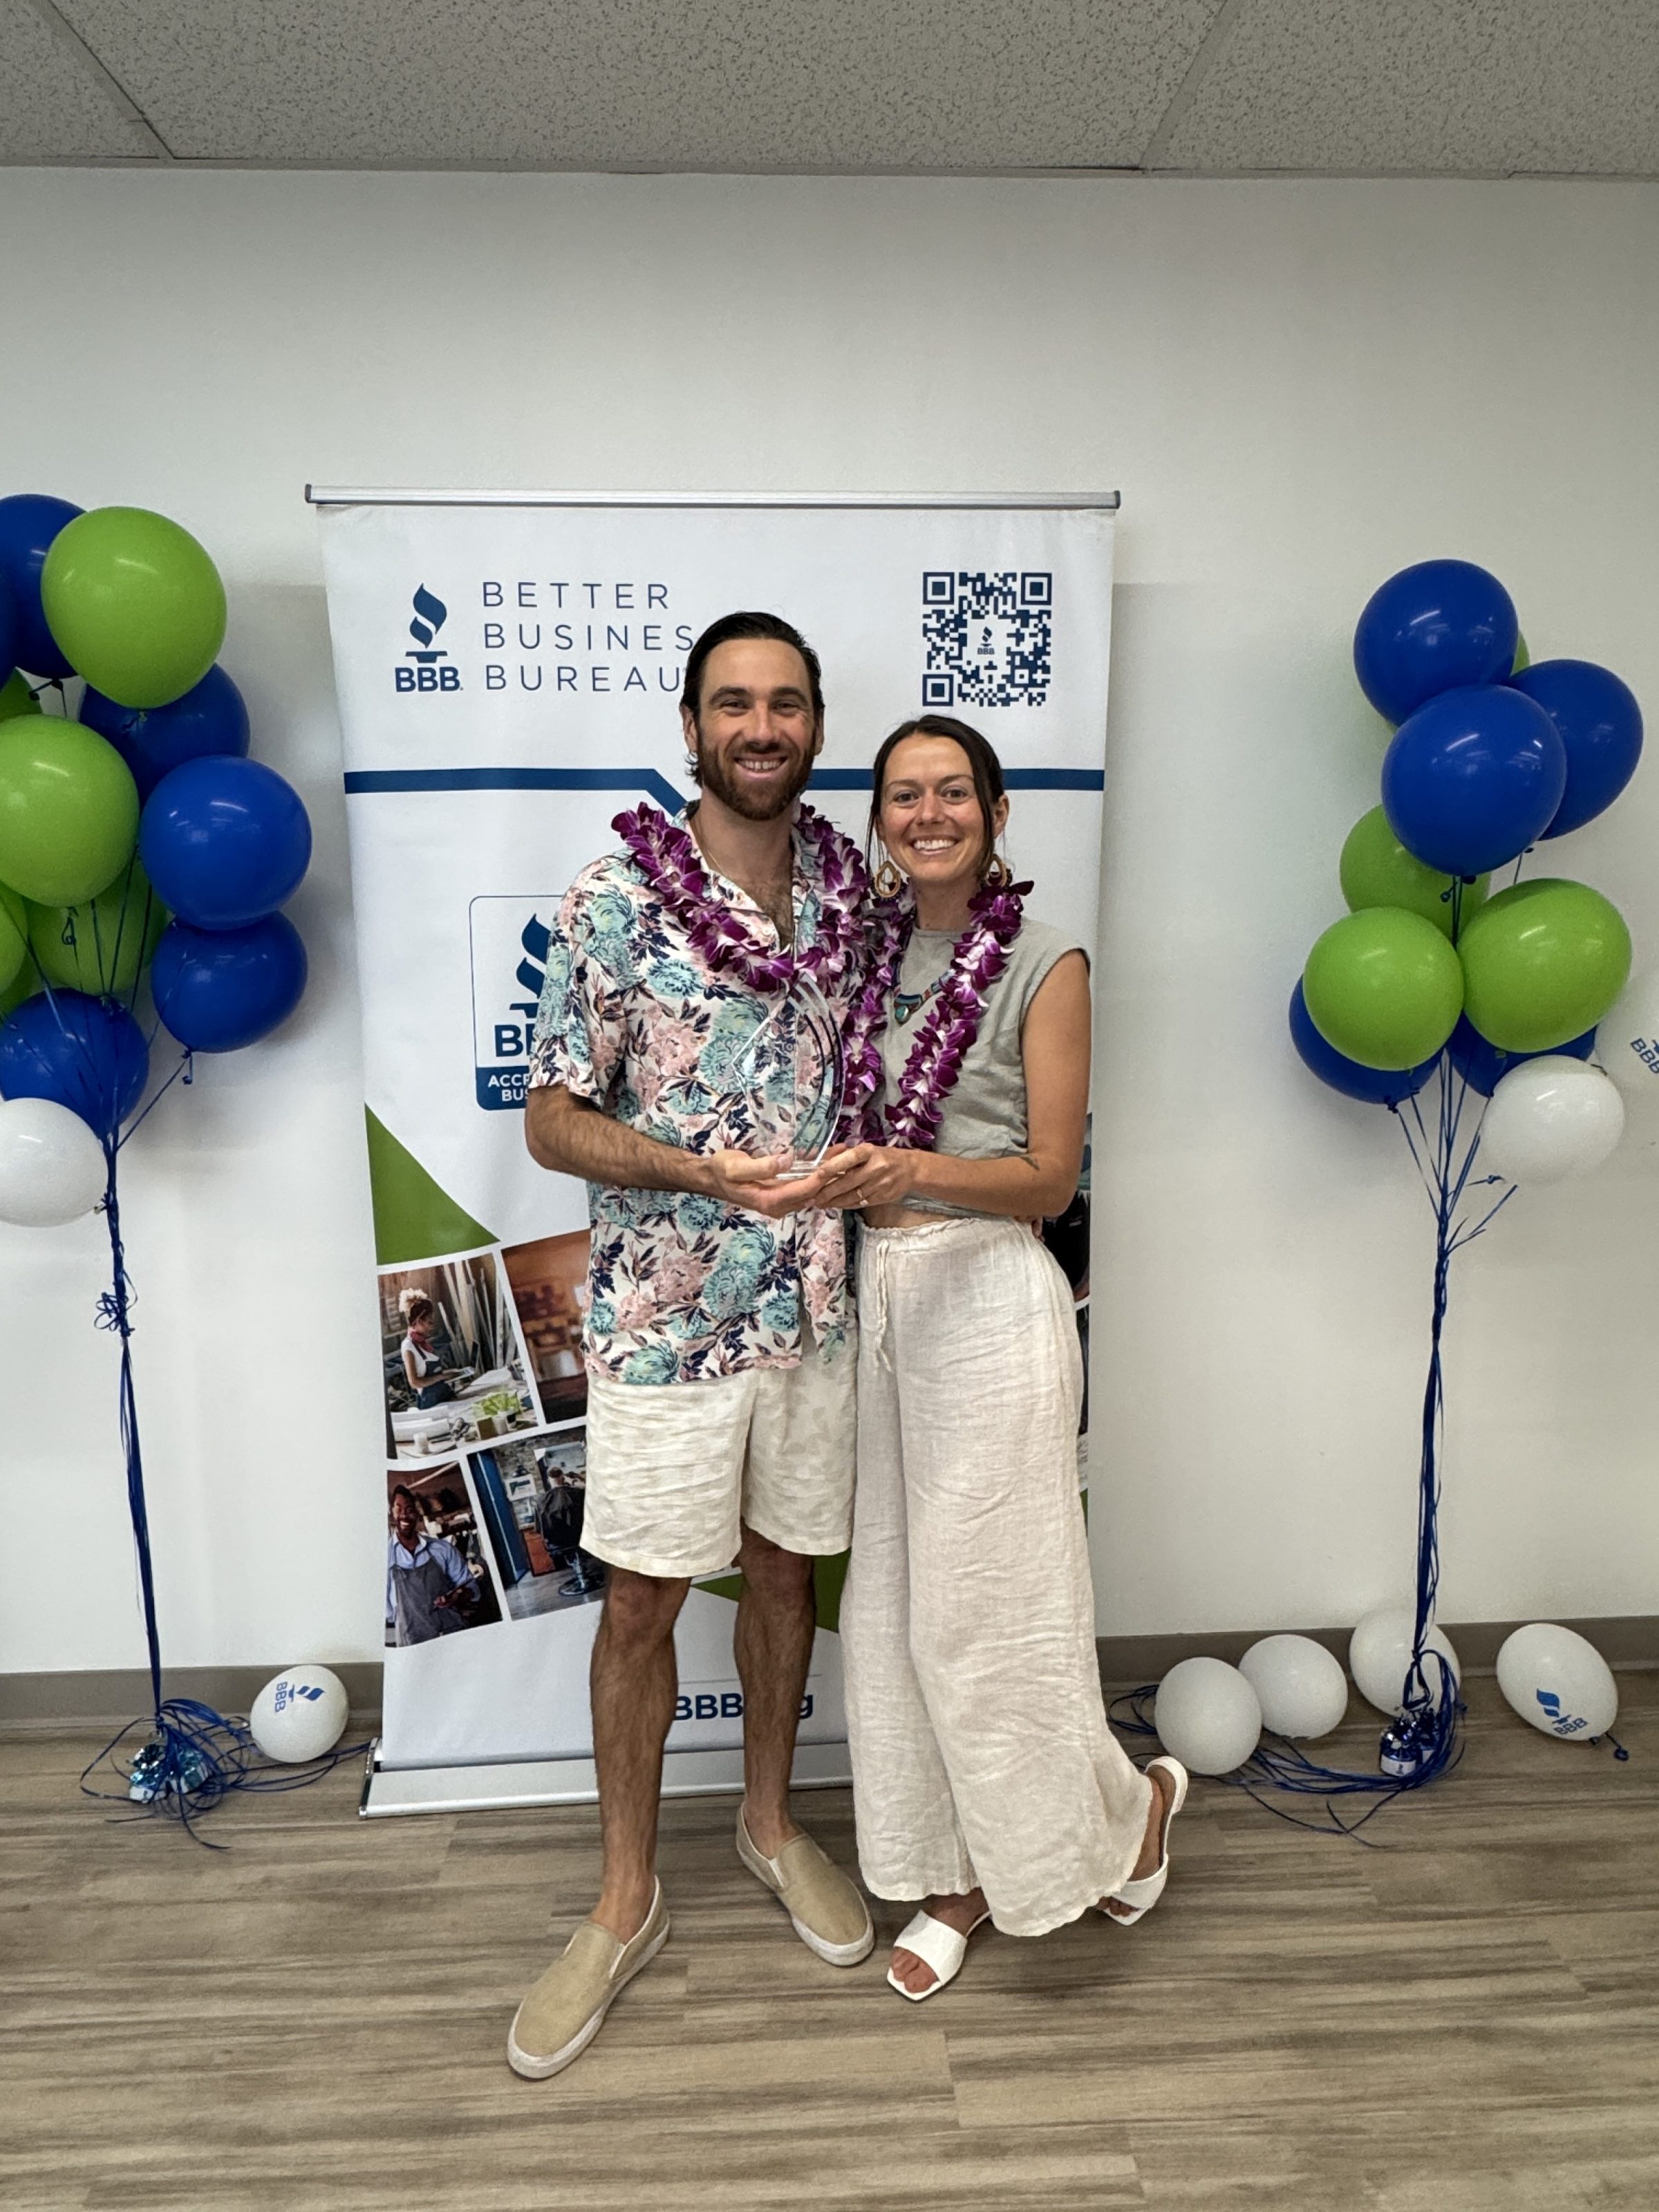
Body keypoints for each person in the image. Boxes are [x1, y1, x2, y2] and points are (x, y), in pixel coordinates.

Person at [507, 610, 873, 2081]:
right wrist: (698, 1168)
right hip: (662, 1318)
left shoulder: (856, 899)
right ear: (691, 725)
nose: (762, 726)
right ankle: (623, 1898)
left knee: (786, 1571)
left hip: (815, 1314)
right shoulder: (612, 898)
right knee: (645, 1608)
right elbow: (549, 1116)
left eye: (786, 703)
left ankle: (773, 1823)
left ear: (816, 726)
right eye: (735, 703)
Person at [814, 714, 1187, 2000]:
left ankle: (1048, 1853)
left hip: (992, 1299)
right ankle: (983, 1859)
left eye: (953, 791)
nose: (929, 812)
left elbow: (1047, 1181)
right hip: (883, 1304)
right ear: (878, 816)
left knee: (991, 1618)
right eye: (905, 793)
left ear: (996, 810)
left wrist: (909, 1167)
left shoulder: (1046, 961)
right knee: (894, 1617)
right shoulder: (860, 958)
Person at [386, 1483, 478, 1645]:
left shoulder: (442, 1549)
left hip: (453, 1635)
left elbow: (472, 1589)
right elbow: (387, 1612)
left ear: (417, 1514)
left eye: (409, 1510)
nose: (404, 1515)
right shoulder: (384, 1558)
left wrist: (457, 1597)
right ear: (392, 1513)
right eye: (399, 1509)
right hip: (413, 1644)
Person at [397, 1289, 462, 1408]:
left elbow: (433, 1375)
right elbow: (414, 1382)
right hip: (430, 1405)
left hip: (442, 1399)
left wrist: (451, 1374)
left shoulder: (423, 1343)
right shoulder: (408, 1346)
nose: (432, 1327)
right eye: (430, 1322)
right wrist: (442, 1377)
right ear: (418, 1321)